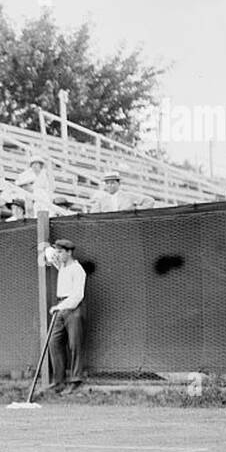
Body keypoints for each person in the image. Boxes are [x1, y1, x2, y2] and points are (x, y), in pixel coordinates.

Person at [38, 238, 88, 394]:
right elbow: (49, 253)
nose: (57, 255)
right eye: (57, 252)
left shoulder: (77, 269)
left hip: (73, 309)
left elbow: (77, 296)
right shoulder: (61, 266)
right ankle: (59, 382)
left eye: (61, 252)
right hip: (60, 310)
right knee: (54, 343)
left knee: (74, 345)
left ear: (69, 252)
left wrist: (59, 307)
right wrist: (46, 248)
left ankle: (75, 381)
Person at [88, 168, 154, 212]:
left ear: (119, 183)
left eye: (112, 183)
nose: (109, 185)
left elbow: (150, 201)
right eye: (107, 183)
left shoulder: (128, 196)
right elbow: (93, 214)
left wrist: (135, 212)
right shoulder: (102, 200)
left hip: (127, 227)